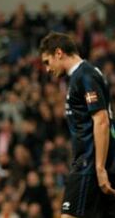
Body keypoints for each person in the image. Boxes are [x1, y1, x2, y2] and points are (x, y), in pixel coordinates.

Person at [39, 32, 115, 218]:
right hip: (90, 161)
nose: (47, 69)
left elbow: (101, 120)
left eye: (47, 62)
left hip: (88, 164)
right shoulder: (81, 76)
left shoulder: (84, 75)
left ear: (59, 53)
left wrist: (99, 168)